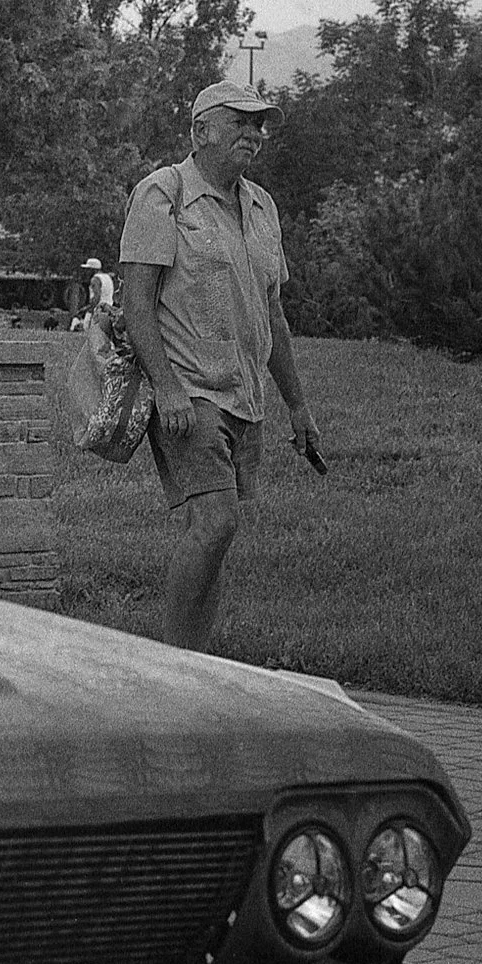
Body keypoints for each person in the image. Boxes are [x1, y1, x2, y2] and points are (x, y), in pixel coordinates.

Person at [118, 78, 321, 654]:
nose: (254, 134)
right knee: (216, 522)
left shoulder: (262, 206)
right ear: (201, 131)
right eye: (241, 121)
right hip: (189, 393)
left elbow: (273, 313)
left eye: (260, 125)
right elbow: (137, 303)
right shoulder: (163, 194)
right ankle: (173, 663)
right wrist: (167, 388)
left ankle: (195, 661)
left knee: (213, 534)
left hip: (246, 396)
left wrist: (298, 406)